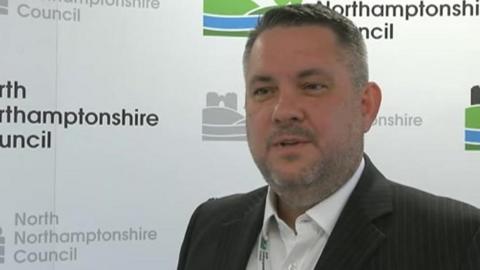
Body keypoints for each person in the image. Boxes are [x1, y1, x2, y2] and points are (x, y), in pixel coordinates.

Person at [177, 4, 480, 270]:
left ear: (366, 106)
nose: (283, 112)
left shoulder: (455, 238)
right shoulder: (210, 226)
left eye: (311, 86)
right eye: (264, 91)